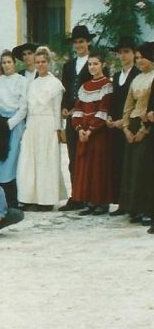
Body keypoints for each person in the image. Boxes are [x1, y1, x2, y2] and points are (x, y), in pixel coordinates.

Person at [17, 47, 66, 211]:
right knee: (29, 161)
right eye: (37, 62)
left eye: (43, 62)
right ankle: (30, 197)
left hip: (48, 125)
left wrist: (58, 130)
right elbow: (29, 108)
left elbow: (56, 110)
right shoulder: (32, 84)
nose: (40, 65)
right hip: (33, 124)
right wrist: (27, 128)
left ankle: (46, 200)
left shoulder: (55, 84)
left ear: (49, 62)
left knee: (46, 161)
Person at [70, 51, 114, 215]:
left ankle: (101, 202)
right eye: (90, 64)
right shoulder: (85, 86)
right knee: (85, 166)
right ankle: (89, 201)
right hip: (84, 131)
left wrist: (91, 130)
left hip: (98, 133)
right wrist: (80, 129)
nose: (92, 67)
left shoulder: (107, 85)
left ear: (102, 65)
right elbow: (78, 109)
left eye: (95, 63)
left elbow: (104, 109)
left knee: (98, 166)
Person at [118, 41, 154, 227]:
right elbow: (128, 105)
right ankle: (134, 207)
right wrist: (125, 127)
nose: (139, 61)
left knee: (144, 170)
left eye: (142, 57)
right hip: (131, 125)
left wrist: (142, 129)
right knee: (131, 169)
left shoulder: (153, 78)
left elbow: (149, 106)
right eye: (137, 58)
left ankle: (147, 208)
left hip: (146, 127)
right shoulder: (137, 79)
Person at [60, 25, 93, 211]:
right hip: (71, 117)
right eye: (76, 42)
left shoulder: (94, 62)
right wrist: (65, 107)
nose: (79, 45)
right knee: (73, 157)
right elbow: (66, 89)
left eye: (82, 41)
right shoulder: (68, 65)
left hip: (88, 115)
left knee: (87, 156)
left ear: (88, 42)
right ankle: (76, 196)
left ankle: (90, 195)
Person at [0, 51, 28, 208]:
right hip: (0, 123)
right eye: (4, 62)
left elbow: (24, 106)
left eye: (9, 62)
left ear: (14, 63)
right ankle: (2, 199)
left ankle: (13, 199)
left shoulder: (22, 81)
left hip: (14, 123)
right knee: (0, 160)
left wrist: (10, 123)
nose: (6, 65)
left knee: (12, 160)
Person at [108, 36, 139, 216]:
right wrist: (112, 118)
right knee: (119, 163)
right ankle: (121, 203)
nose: (123, 56)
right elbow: (115, 100)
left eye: (126, 52)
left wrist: (124, 121)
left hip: (131, 124)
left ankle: (134, 204)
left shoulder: (137, 74)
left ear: (134, 53)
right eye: (120, 53)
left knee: (132, 165)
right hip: (116, 126)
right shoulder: (118, 75)